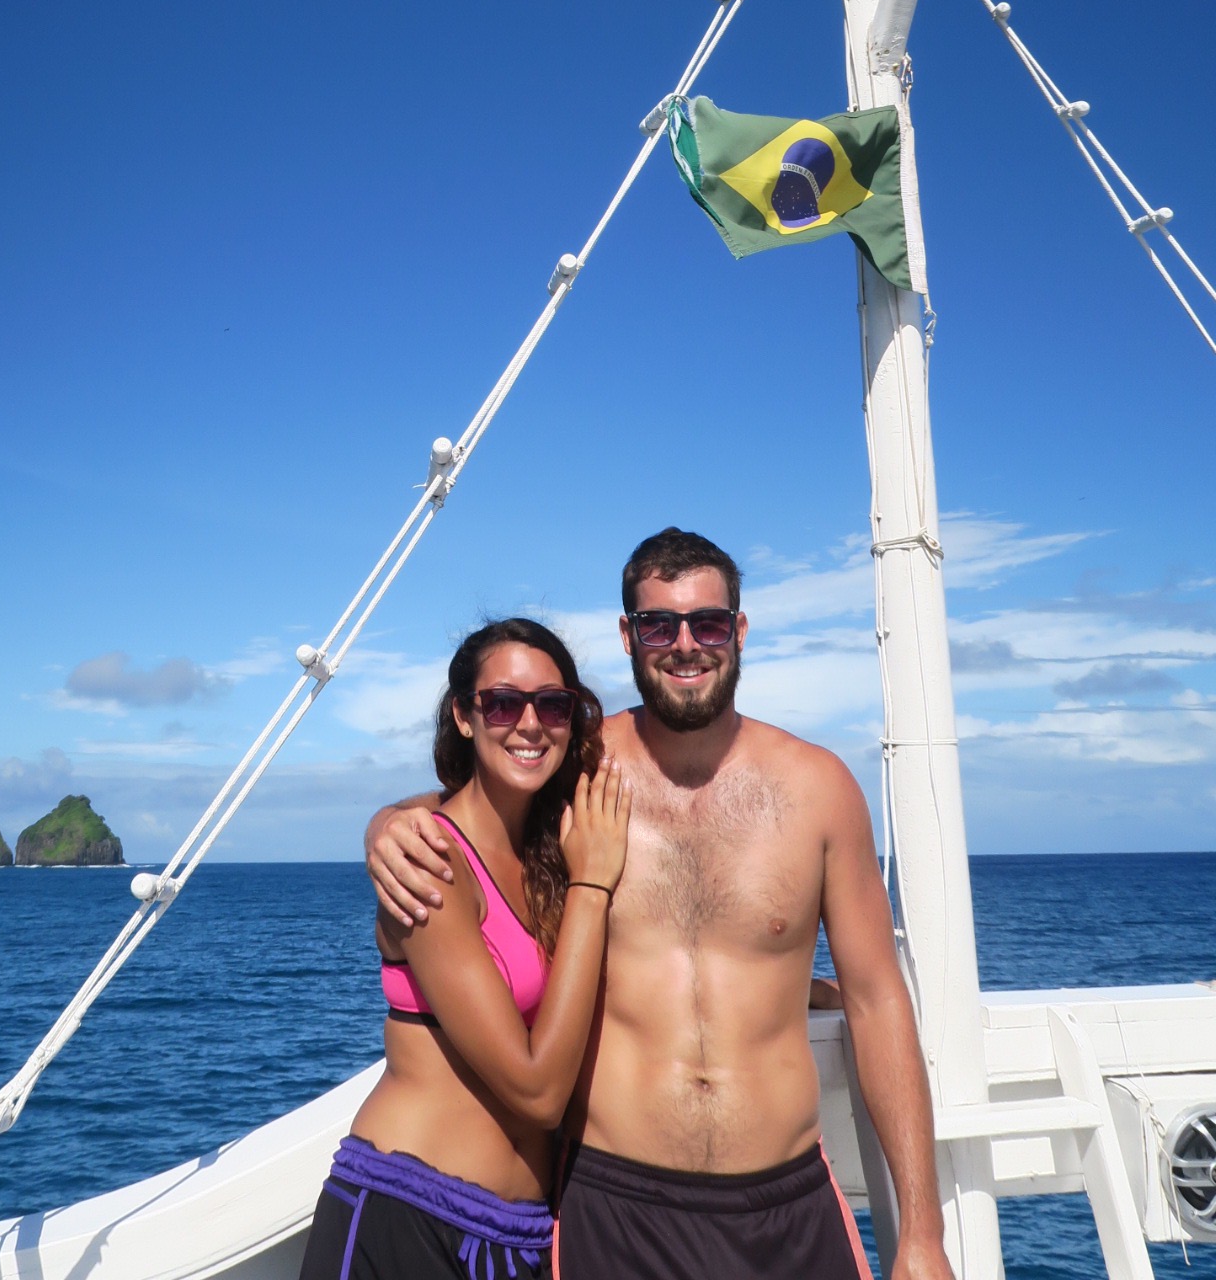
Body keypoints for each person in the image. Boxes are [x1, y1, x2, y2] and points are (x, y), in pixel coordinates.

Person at [367, 529, 956, 1280]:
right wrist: (388, 824)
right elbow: (479, 800)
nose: (685, 646)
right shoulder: (578, 770)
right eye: (658, 626)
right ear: (628, 636)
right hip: (617, 1207)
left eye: (707, 623)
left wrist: (921, 1233)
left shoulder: (819, 790)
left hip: (788, 1208)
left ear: (738, 630)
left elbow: (877, 1001)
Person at [302, 615, 630, 1280]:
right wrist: (593, 885)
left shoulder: (552, 850)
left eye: (553, 704)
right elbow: (537, 1092)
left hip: (524, 1233)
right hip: (408, 1217)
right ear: (463, 715)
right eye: (503, 703)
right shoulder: (433, 858)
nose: (530, 724)